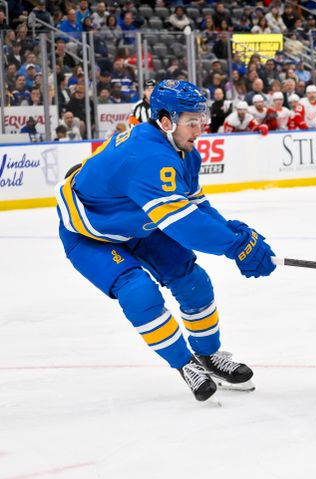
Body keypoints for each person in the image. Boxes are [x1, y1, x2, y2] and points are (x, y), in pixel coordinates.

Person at [55, 80, 277, 402]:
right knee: (138, 292)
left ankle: (208, 356)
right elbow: (184, 225)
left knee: (193, 281)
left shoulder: (185, 153)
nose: (199, 129)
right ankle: (185, 363)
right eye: (191, 122)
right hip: (91, 236)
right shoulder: (148, 156)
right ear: (165, 121)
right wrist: (235, 247)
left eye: (200, 120)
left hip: (138, 224)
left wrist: (235, 234)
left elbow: (196, 208)